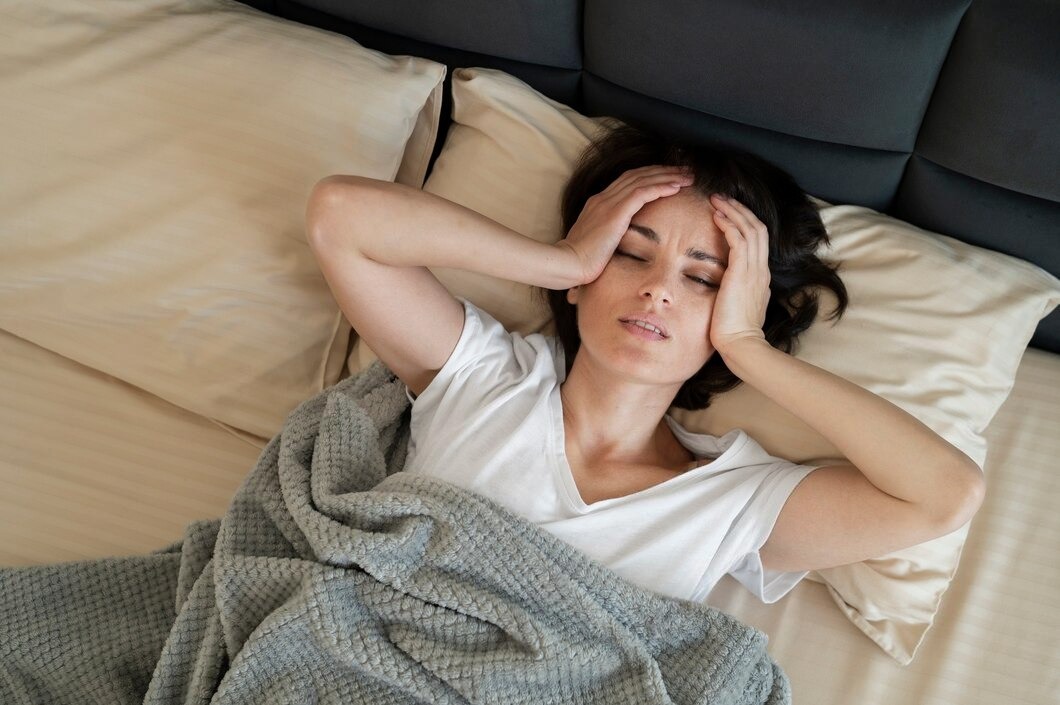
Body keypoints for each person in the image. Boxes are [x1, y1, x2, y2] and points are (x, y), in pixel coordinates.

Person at [304, 123, 984, 605]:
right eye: (632, 253)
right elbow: (341, 217)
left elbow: (942, 494)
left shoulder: (728, 500)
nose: (658, 288)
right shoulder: (486, 375)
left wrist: (747, 345)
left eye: (704, 277)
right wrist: (564, 260)